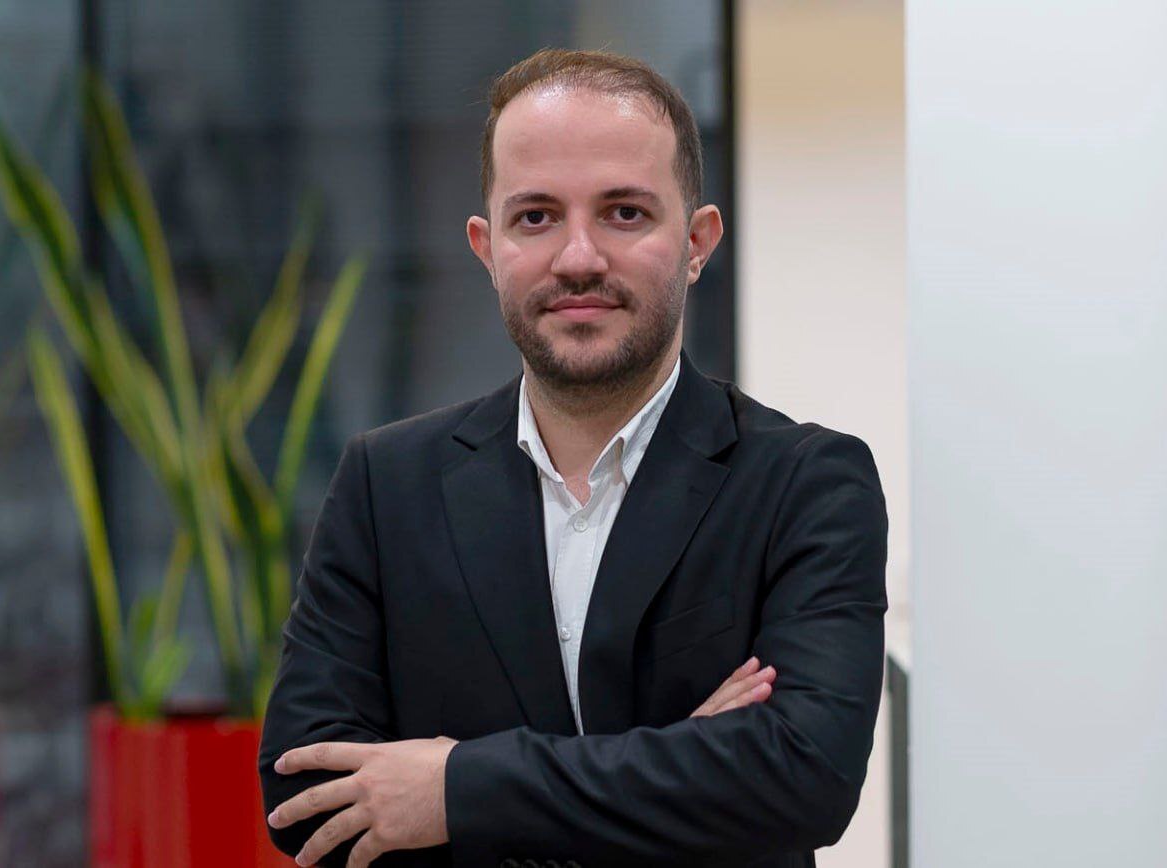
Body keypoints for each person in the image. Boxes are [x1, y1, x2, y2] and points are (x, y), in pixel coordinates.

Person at [259, 48, 887, 868]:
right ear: (486, 248)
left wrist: (455, 789)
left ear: (697, 241)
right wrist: (678, 767)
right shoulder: (388, 485)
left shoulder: (806, 485)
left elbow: (804, 777)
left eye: (624, 212)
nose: (579, 257)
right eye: (536, 217)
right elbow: (306, 797)